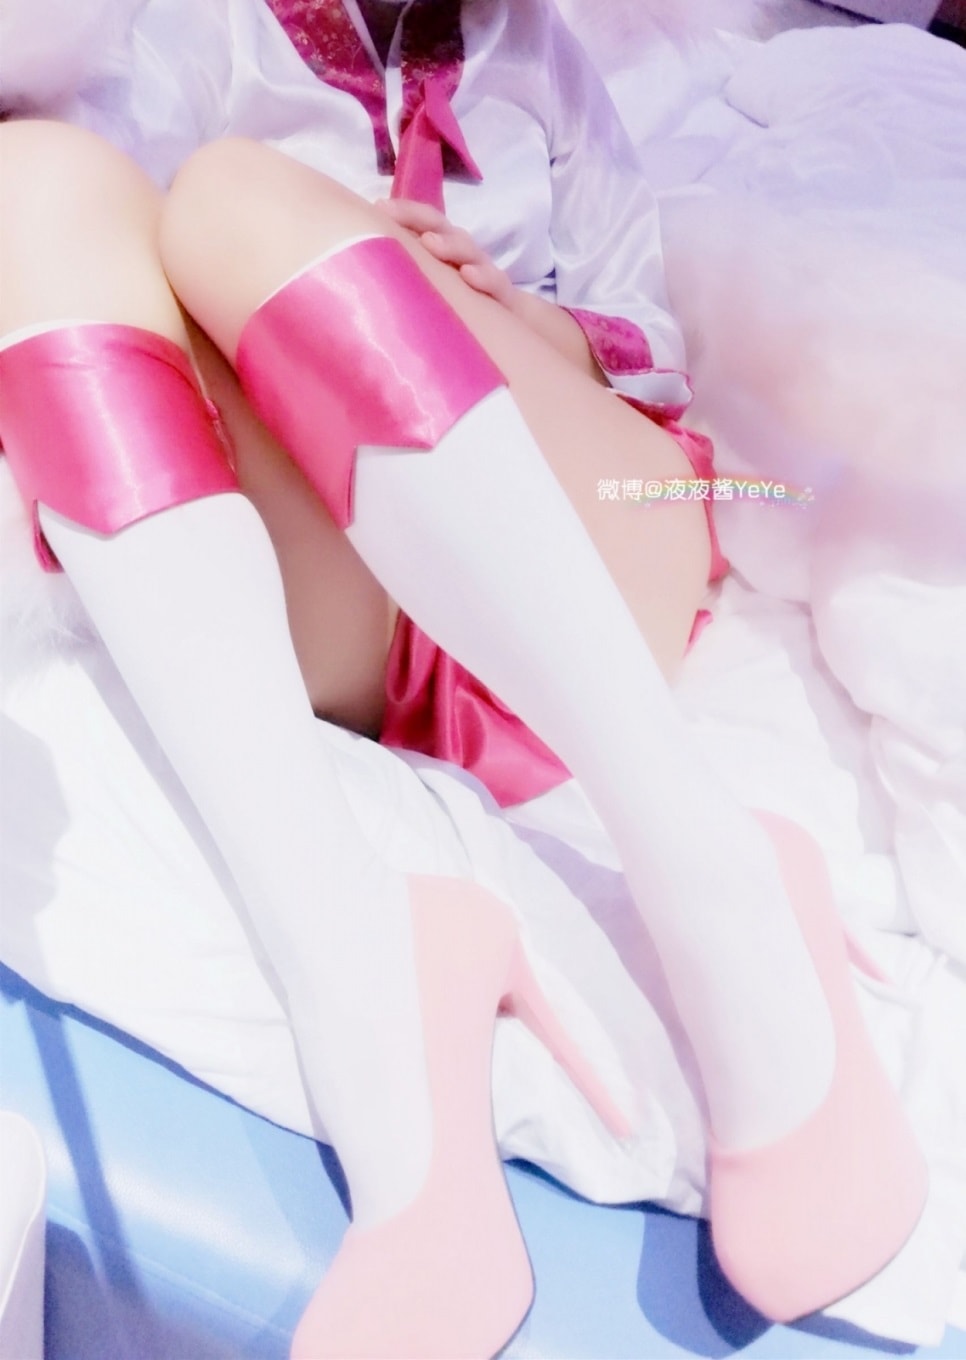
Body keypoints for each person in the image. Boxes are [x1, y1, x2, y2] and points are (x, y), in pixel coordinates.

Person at [0, 0, 927, 1355]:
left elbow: (645, 347)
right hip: (359, 589)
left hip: (593, 516)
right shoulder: (195, 33)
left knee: (241, 197)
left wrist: (491, 311)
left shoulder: (540, 65)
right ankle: (354, 959)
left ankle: (715, 872)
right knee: (30, 187)